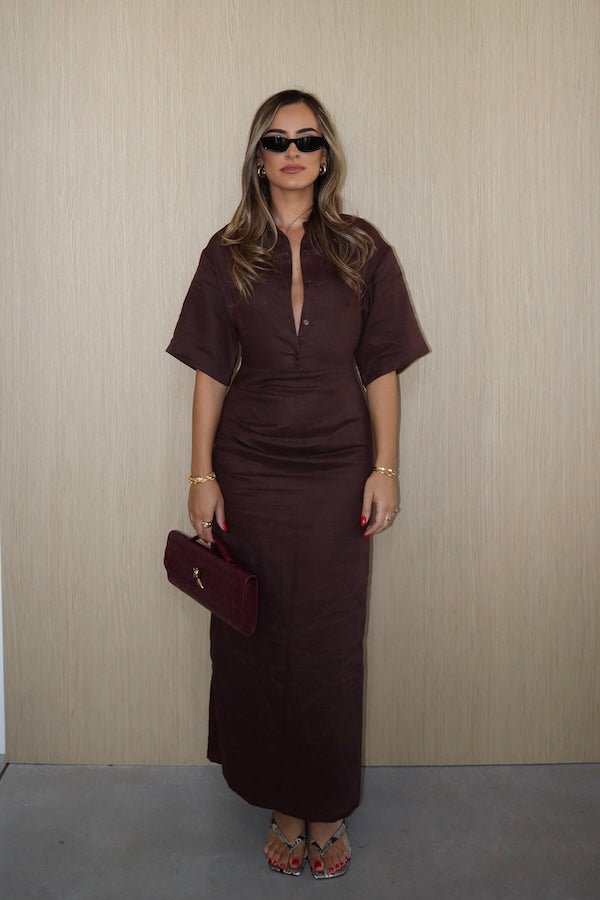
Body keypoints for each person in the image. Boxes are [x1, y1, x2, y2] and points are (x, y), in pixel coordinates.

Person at [166, 89, 429, 879]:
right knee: (258, 632)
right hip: (250, 466)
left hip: (338, 466)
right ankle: (283, 801)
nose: (292, 152)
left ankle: (326, 803)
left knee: (329, 642)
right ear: (258, 157)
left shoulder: (363, 248)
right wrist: (202, 474)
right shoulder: (226, 252)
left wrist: (385, 467)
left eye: (307, 140)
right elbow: (211, 371)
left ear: (326, 155)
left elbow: (381, 366)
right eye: (277, 140)